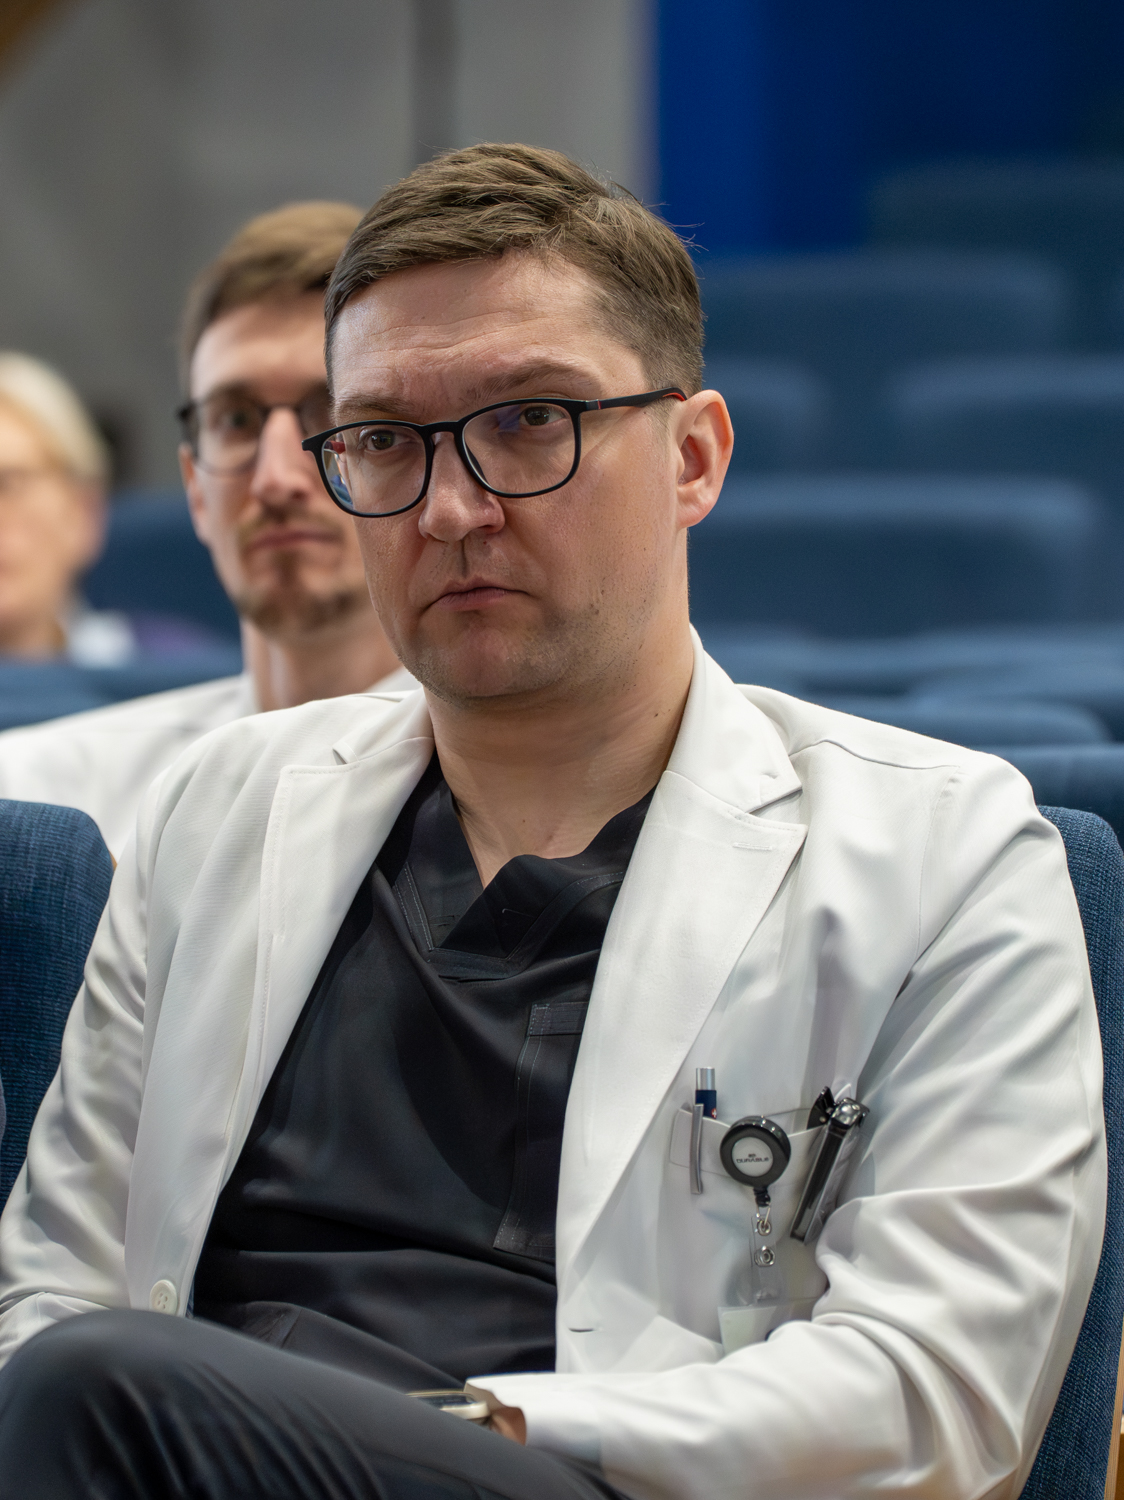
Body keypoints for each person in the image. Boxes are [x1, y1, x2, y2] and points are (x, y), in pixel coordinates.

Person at [0, 145, 1104, 1500]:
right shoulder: (217, 810)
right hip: (161, 1453)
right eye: (384, 441)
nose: (451, 508)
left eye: (530, 420)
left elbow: (935, 1395)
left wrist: (474, 1435)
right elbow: (49, 1285)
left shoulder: (949, 856)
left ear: (693, 456)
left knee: (98, 1386)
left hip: (585, 1475)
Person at [0, 203, 409, 855]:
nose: (275, 478)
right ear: (194, 486)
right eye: (237, 421)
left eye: (328, 411)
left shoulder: (511, 783)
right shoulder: (44, 794)